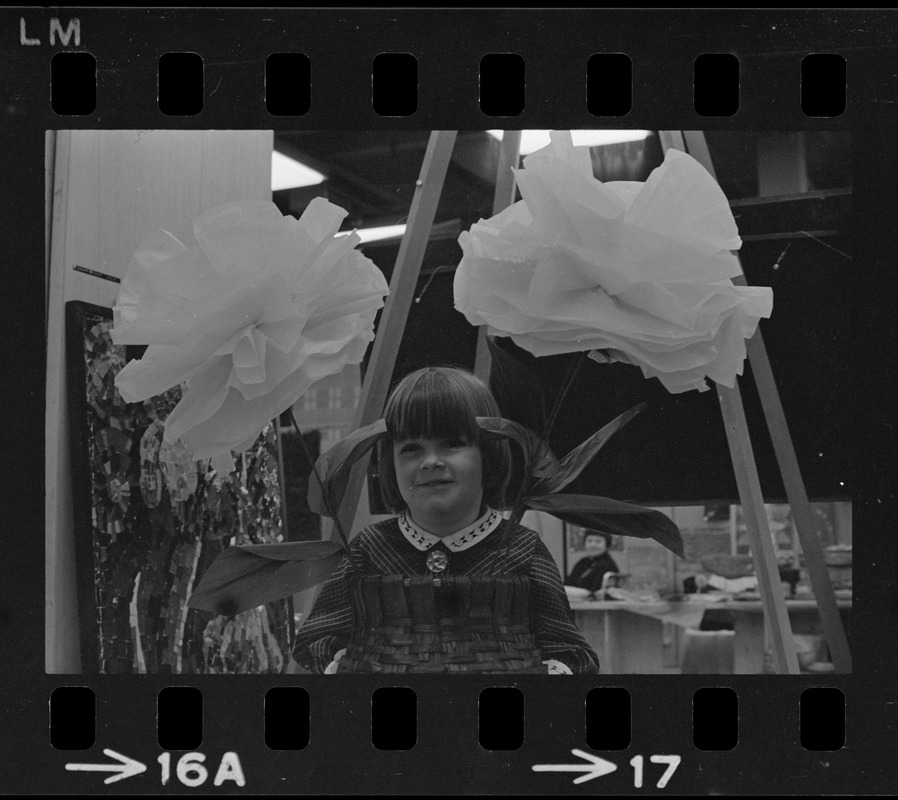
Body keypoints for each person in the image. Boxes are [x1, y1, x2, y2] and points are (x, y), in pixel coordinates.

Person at [292, 366, 601, 674]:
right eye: (411, 449)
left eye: (452, 443)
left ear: (488, 454)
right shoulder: (370, 549)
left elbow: (571, 651)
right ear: (389, 465)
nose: (430, 462)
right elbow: (317, 638)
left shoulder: (522, 549)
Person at [565, 530, 620, 594]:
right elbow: (569, 583)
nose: (593, 545)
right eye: (589, 541)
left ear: (607, 544)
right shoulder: (583, 562)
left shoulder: (608, 565)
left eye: (598, 541)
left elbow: (595, 592)